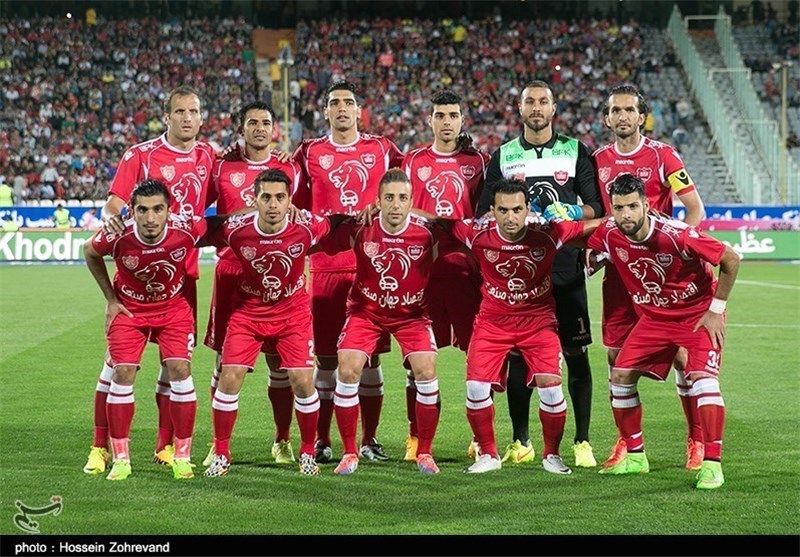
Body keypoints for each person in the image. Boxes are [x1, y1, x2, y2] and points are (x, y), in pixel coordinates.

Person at [83, 86, 215, 476]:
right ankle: (100, 448)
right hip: (136, 277)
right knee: (116, 367)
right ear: (167, 116)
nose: (187, 118)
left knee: (174, 367)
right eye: (180, 112)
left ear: (201, 116)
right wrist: (112, 220)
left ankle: (166, 446)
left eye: (193, 111)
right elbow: (114, 204)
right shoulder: (141, 155)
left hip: (182, 275)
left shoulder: (208, 155)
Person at [476, 80, 603, 468]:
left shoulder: (575, 150)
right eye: (529, 101)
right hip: (521, 271)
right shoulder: (504, 155)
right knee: (518, 357)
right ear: (519, 108)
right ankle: (521, 440)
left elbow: (595, 207)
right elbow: (484, 211)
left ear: (553, 108)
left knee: (576, 353)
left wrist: (571, 212)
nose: (536, 107)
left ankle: (581, 441)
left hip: (564, 267)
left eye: (543, 101)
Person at [588, 174, 739, 490]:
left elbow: (730, 258)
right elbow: (578, 236)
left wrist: (716, 310)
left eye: (632, 206)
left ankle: (712, 464)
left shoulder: (677, 234)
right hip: (655, 319)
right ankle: (636, 457)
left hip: (696, 317)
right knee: (620, 376)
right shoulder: (610, 232)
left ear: (646, 205)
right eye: (619, 208)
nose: (626, 214)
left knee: (704, 382)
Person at [449, 179, 601, 474]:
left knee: (551, 388)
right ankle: (488, 455)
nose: (511, 217)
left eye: (517, 209)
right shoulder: (476, 233)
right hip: (493, 322)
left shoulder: (548, 233)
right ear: (492, 210)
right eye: (503, 210)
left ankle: (551, 455)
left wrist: (633, 217)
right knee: (476, 387)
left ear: (528, 209)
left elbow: (591, 227)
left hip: (538, 321)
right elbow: (440, 224)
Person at [593, 84, 707, 471]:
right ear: (607, 118)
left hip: (661, 278)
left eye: (629, 110)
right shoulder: (598, 160)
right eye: (616, 110)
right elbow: (597, 216)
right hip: (620, 274)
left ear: (642, 117)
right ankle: (627, 442)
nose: (622, 116)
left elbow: (694, 208)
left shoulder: (663, 155)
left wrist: (682, 250)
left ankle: (697, 439)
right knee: (615, 358)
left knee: (682, 357)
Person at [203, 169, 343, 478]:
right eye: (266, 197)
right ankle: (221, 453)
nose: (273, 204)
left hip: (292, 313)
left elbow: (338, 224)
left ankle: (308, 453)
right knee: (229, 376)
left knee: (302, 380)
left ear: (290, 200)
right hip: (249, 311)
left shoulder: (306, 227)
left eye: (280, 197)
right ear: (254, 200)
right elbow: (197, 232)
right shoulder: (236, 230)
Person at [293, 80, 405, 463]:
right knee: (326, 361)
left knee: (370, 361)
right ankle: (323, 441)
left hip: (371, 269)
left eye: (348, 102)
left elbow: (412, 179)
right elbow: (294, 203)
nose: (342, 108)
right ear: (325, 111)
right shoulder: (309, 152)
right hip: (326, 269)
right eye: (334, 102)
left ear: (359, 111)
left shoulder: (382, 149)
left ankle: (369, 440)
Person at [201, 101, 305, 469]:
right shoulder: (222, 166)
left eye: (265, 122)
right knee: (224, 362)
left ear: (274, 128)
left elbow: (301, 215)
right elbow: (200, 212)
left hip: (278, 274)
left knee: (281, 363)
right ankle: (218, 445)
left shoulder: (289, 167)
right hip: (232, 274)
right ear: (241, 128)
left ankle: (282, 440)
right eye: (252, 123)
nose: (259, 128)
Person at [323, 169, 443, 475]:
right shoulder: (361, 227)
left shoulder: (429, 232)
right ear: (377, 201)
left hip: (412, 315)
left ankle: (425, 452)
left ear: (412, 202)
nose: (396, 204)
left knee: (426, 369)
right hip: (366, 312)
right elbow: (322, 231)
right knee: (347, 368)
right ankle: (350, 453)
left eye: (403, 198)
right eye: (389, 198)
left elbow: (467, 235)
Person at [401, 90, 489, 461]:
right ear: (430, 120)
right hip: (424, 274)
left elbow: (488, 213)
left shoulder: (479, 161)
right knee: (417, 362)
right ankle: (415, 436)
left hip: (468, 274)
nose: (447, 121)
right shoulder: (413, 160)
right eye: (440, 115)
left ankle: (480, 438)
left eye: (453, 115)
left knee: (479, 359)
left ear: (462, 120)